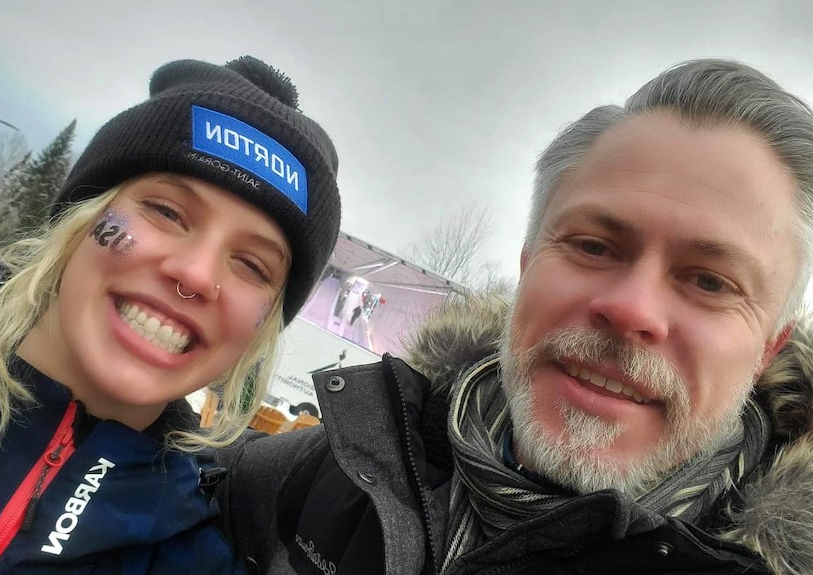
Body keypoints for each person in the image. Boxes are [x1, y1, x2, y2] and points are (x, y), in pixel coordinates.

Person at [215, 58, 813, 575]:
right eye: (593, 246)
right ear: (527, 265)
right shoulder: (330, 468)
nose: (632, 308)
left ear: (768, 347)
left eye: (710, 282)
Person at [0, 54, 340, 574]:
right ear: (81, 219)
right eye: (166, 211)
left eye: (252, 264)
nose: (198, 276)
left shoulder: (201, 554)